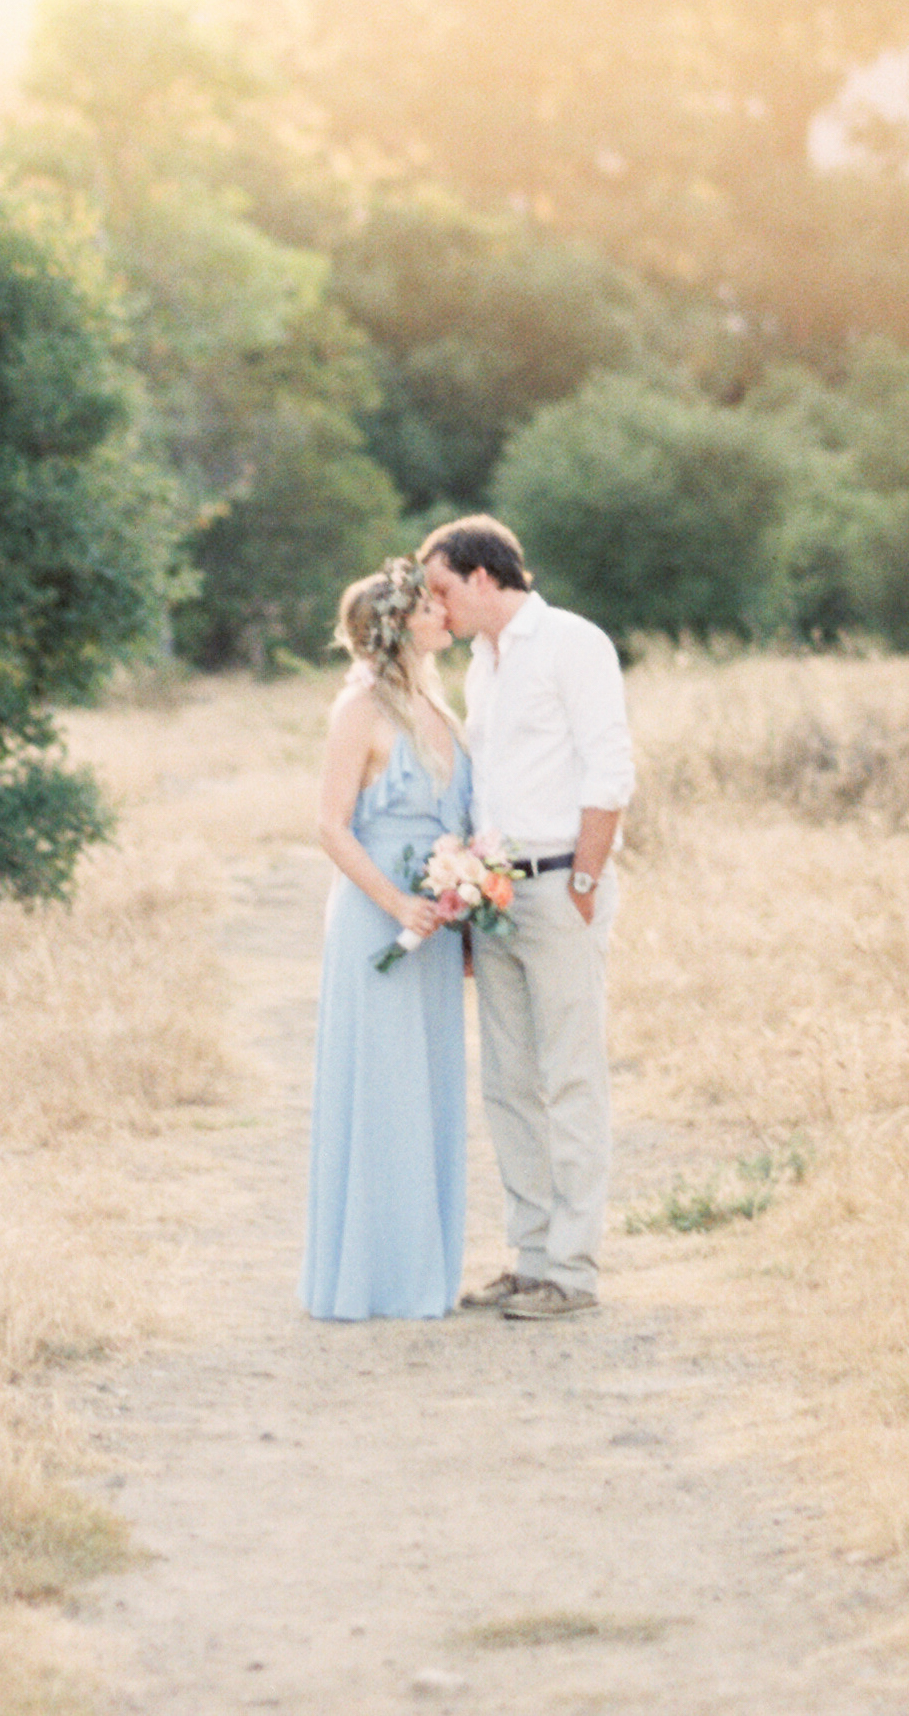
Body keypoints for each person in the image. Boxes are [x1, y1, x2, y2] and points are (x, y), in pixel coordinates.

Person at [420, 513, 631, 1320]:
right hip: (495, 893)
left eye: (441, 588)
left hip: (558, 886)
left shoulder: (573, 642)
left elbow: (609, 765)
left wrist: (583, 877)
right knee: (508, 1081)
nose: (436, 608)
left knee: (570, 1075)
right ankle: (532, 1253)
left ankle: (573, 1272)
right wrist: (469, 891)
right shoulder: (480, 662)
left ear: (481, 577)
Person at [303, 555, 474, 1321]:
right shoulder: (360, 709)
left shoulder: (440, 707)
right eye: (430, 604)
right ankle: (368, 1278)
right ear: (399, 623)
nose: (445, 611)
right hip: (380, 914)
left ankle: (421, 1274)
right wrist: (396, 901)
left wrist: (466, 890)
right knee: (379, 1087)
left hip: (436, 923)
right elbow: (329, 826)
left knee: (428, 1086)